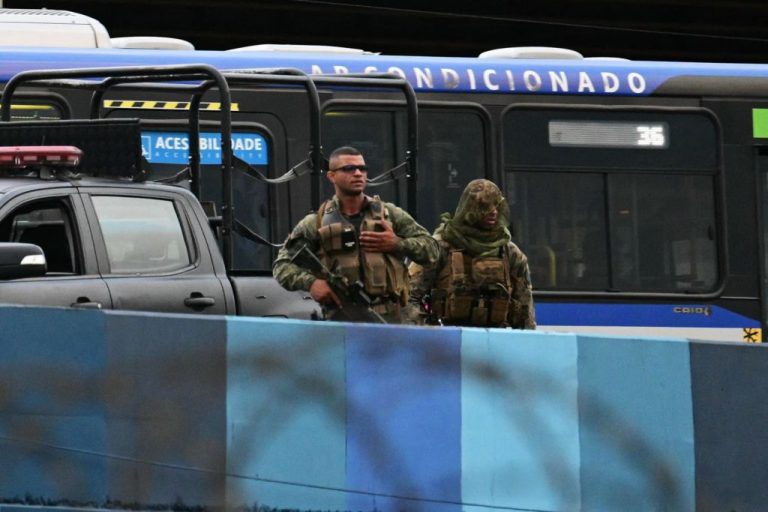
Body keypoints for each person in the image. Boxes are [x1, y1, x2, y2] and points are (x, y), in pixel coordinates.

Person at [273, 146, 439, 323]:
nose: (358, 173)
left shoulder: (389, 214)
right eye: (349, 169)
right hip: (341, 320)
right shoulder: (315, 223)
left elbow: (432, 250)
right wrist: (311, 283)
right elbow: (282, 266)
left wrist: (397, 244)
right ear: (331, 176)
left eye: (362, 168)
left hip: (390, 320)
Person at [408, 179, 536, 329]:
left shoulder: (509, 252)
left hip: (496, 338)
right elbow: (409, 296)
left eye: (496, 205)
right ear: (469, 208)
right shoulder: (440, 247)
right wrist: (429, 332)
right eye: (485, 206)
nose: (493, 212)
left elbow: (524, 308)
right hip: (448, 337)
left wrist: (525, 339)